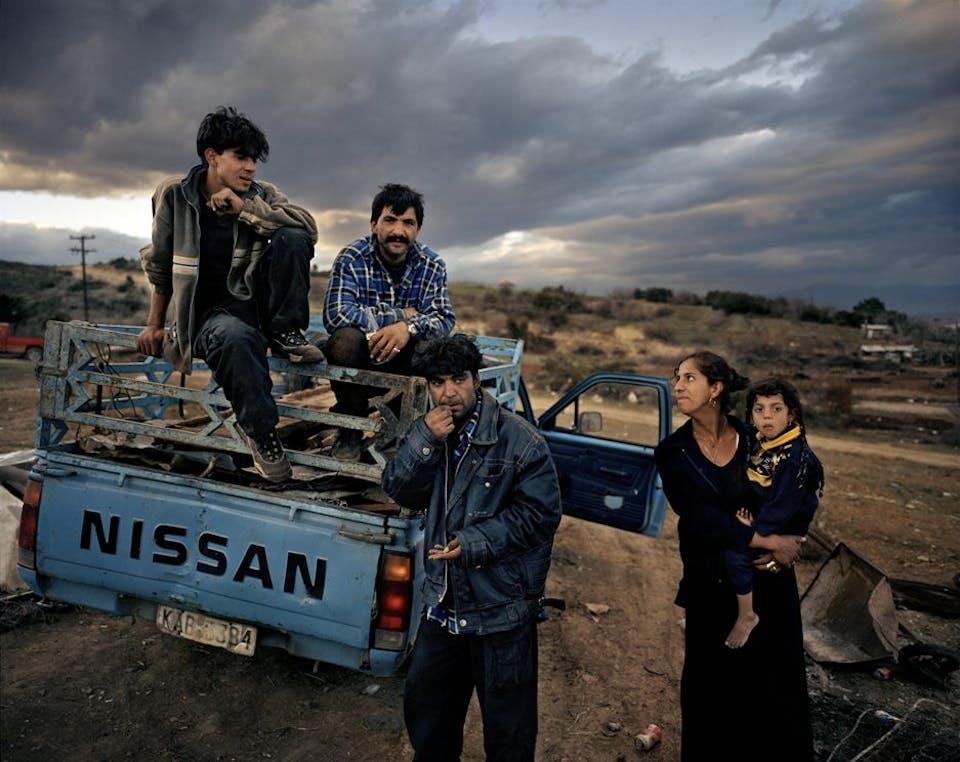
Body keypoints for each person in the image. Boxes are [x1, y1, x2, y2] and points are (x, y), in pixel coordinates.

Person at [381, 334, 561, 761]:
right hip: (443, 606)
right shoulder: (429, 430)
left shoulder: (521, 440)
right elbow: (399, 490)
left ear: (476, 380)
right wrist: (424, 440)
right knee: (428, 719)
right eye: (437, 382)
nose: (448, 393)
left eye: (458, 379)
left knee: (509, 732)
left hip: (501, 610)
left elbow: (540, 514)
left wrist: (472, 542)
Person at [137, 105, 321, 483]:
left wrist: (247, 212)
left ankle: (286, 332)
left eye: (254, 159)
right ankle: (262, 433)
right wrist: (154, 324)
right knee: (236, 337)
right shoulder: (175, 195)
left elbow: (309, 230)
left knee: (292, 236)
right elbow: (159, 263)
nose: (250, 167)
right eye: (241, 157)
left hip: (256, 309)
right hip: (206, 317)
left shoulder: (260, 194)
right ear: (212, 156)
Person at [653, 351, 813, 761]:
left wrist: (791, 540)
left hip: (767, 580)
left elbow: (796, 486)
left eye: (689, 378)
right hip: (710, 584)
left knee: (773, 689)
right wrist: (767, 541)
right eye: (676, 378)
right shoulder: (672, 452)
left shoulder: (754, 435)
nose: (678, 386)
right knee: (711, 691)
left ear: (716, 389)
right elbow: (700, 518)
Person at [322, 183, 455, 460]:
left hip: (404, 360)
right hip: (360, 357)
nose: (398, 230)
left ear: (417, 229)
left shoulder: (432, 264)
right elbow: (337, 314)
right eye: (390, 220)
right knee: (344, 339)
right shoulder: (352, 256)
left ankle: (403, 430)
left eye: (408, 223)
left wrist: (407, 329)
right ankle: (350, 427)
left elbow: (443, 319)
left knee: (430, 345)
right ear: (374, 225)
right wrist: (400, 317)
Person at [725, 377, 825, 649]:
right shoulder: (762, 440)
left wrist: (753, 531)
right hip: (769, 517)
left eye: (776, 409)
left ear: (791, 415)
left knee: (735, 555)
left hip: (783, 525)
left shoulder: (793, 458)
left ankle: (746, 615)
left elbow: (782, 507)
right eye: (759, 409)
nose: (767, 416)